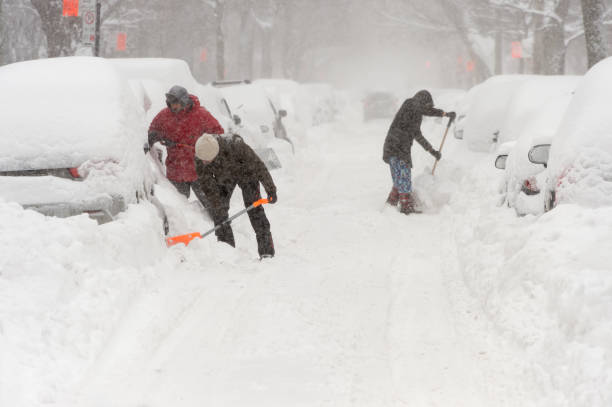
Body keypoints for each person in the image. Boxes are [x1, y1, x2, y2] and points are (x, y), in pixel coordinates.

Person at [194, 133, 277, 259]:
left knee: (254, 209)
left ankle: (266, 251)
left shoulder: (237, 146)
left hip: (246, 173)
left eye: (207, 160)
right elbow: (207, 185)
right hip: (225, 178)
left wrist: (270, 189)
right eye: (202, 160)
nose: (204, 162)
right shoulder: (200, 156)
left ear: (215, 154)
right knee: (219, 213)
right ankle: (226, 250)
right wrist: (218, 207)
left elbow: (259, 166)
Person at [147, 85, 224, 203]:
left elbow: (218, 134)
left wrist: (204, 145)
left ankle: (221, 221)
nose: (173, 106)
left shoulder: (201, 114)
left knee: (212, 206)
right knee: (179, 208)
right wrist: (157, 137)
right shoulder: (164, 115)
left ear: (184, 101)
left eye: (176, 102)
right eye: (171, 103)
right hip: (176, 171)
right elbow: (152, 132)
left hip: (199, 170)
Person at [382, 90, 455, 214]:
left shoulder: (414, 113)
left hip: (393, 147)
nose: (426, 109)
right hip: (398, 147)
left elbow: (417, 134)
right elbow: (424, 111)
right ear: (421, 101)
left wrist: (432, 151)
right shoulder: (411, 104)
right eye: (426, 105)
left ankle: (392, 202)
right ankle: (406, 206)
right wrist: (444, 114)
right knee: (404, 176)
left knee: (399, 177)